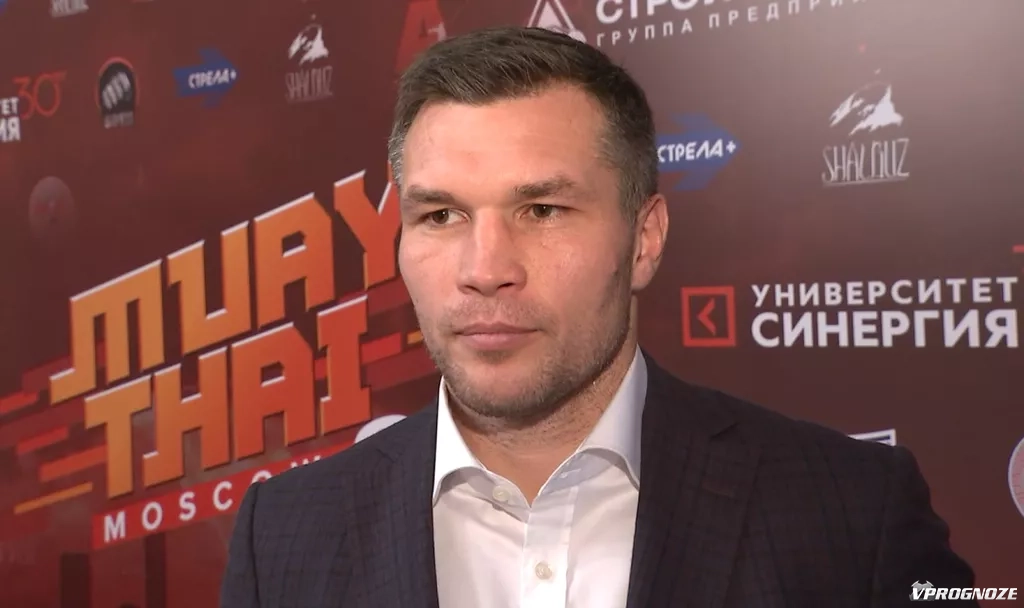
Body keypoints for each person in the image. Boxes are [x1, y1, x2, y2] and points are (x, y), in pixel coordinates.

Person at [220, 25, 977, 607]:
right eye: (442, 215)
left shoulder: (850, 511)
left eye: (542, 210)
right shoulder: (282, 534)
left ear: (644, 240)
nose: (484, 268)